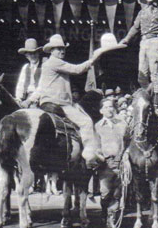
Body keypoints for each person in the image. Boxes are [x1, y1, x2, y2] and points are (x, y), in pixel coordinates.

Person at [30, 34, 107, 168]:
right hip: (59, 103)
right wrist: (94, 58)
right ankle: (90, 156)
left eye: (63, 48)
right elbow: (77, 70)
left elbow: (40, 88)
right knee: (86, 122)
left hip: (47, 103)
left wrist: (30, 100)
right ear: (52, 51)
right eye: (58, 49)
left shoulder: (47, 64)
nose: (62, 51)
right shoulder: (55, 62)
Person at [119, 0, 158, 110]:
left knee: (155, 75)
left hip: (154, 40)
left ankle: (156, 105)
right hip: (144, 42)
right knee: (141, 75)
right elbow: (135, 27)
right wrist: (126, 39)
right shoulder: (142, 11)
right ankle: (149, 97)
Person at [94, 98, 129, 228]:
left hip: (121, 163)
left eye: (111, 107)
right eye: (106, 107)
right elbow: (95, 146)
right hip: (105, 164)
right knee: (105, 192)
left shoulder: (122, 124)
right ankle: (104, 216)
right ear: (101, 110)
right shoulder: (97, 126)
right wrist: (101, 158)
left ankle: (112, 221)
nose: (109, 109)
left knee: (117, 193)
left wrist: (125, 154)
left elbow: (128, 142)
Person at [15, 38, 42, 108]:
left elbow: (42, 88)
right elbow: (20, 85)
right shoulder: (25, 67)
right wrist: (18, 98)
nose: (33, 56)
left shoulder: (44, 66)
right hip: (26, 98)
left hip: (40, 99)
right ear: (26, 55)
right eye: (30, 54)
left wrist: (29, 101)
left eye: (35, 53)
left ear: (38, 53)